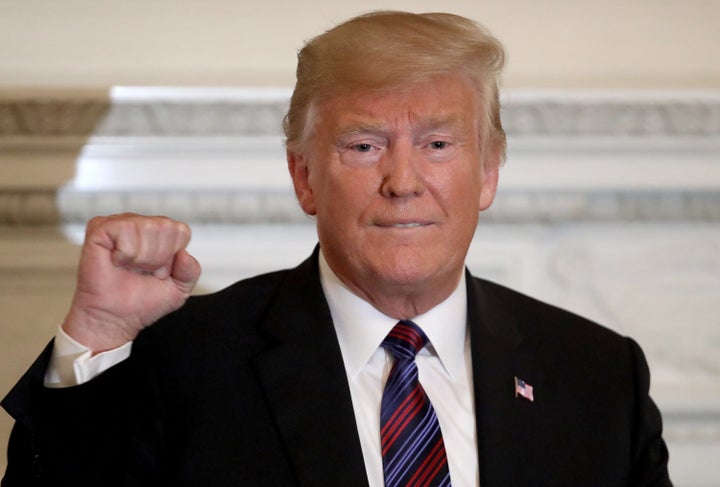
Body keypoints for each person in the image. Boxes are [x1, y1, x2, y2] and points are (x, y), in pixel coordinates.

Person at [2, 10, 671, 487]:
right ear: (304, 176)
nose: (402, 182)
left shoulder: (600, 378)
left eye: (438, 144)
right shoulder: (181, 363)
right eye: (364, 145)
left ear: (488, 171)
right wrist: (99, 335)